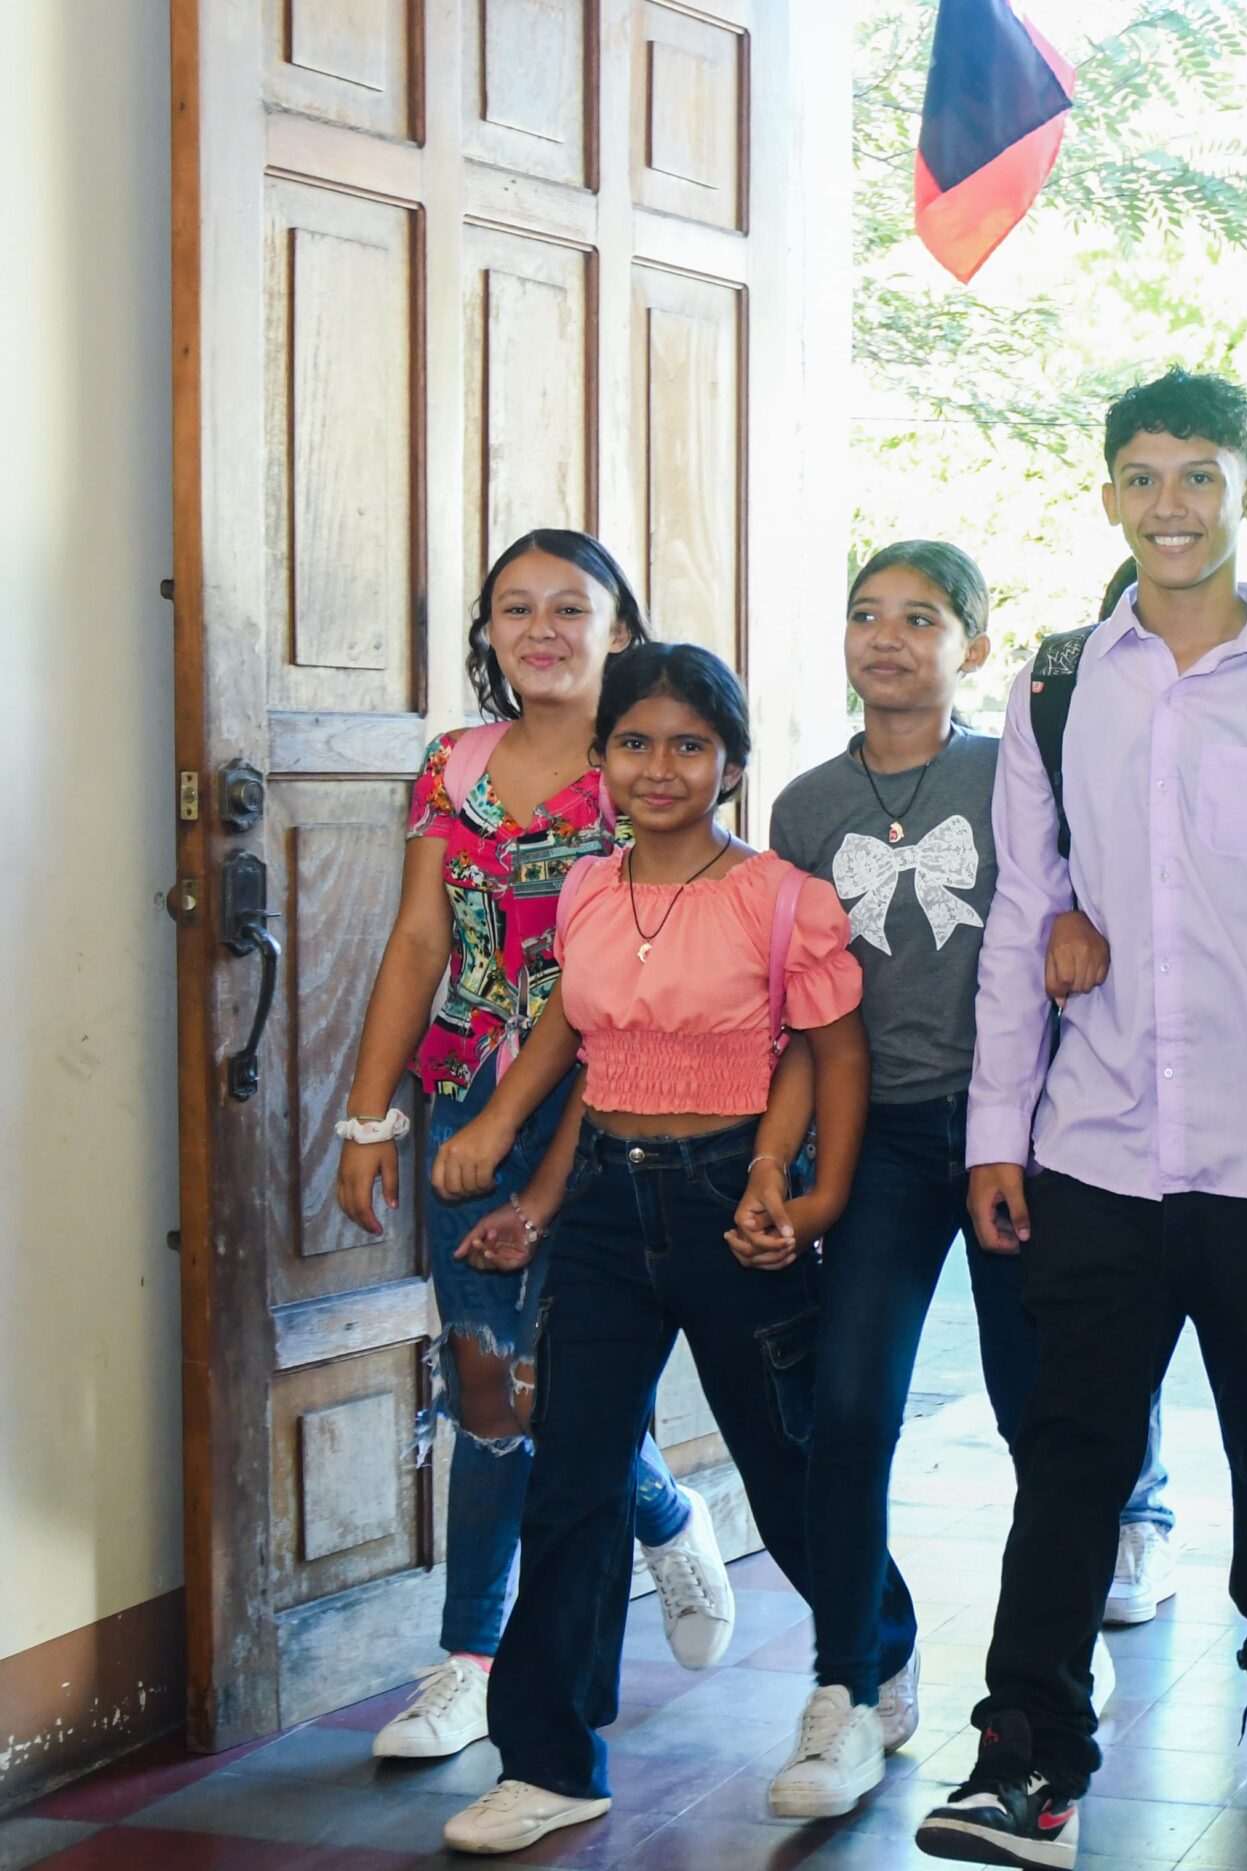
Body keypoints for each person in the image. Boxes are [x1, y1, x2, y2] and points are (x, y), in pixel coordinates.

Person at [914, 368, 1247, 1868]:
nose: (1172, 505)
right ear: (1108, 495)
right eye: (1145, 476)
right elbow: (1028, 905)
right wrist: (996, 1131)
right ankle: (1026, 1752)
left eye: (1201, 476)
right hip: (1096, 1135)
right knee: (1071, 1447)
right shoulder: (1055, 681)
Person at [433, 644, 869, 1854]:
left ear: (730, 762)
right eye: (634, 741)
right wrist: (521, 1168)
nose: (659, 766)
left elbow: (832, 1054)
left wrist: (815, 1199)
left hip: (732, 1202)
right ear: (602, 757)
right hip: (604, 1214)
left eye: (689, 743)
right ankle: (550, 1759)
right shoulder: (588, 886)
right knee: (571, 1479)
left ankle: (869, 1667)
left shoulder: (780, 897)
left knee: (785, 1462)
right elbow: (580, 1046)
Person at [330, 530, 728, 1764]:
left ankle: (505, 1648)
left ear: (621, 628)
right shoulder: (453, 764)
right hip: (465, 1100)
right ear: (489, 630)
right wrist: (369, 1115)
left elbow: (640, 965)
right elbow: (417, 940)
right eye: (515, 608)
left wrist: (526, 1118)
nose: (541, 629)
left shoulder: (645, 766)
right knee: (485, 1383)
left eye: (570, 606)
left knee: (570, 1385)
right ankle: (489, 1645)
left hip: (612, 1112)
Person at [752, 541, 1128, 1816]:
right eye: (867, 613)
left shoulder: (1014, 771)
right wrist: (783, 1154)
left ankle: (1051, 1660)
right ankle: (852, 1677)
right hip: (881, 1136)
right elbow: (802, 1009)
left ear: (974, 643)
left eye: (922, 617)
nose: (888, 637)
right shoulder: (805, 807)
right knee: (849, 1405)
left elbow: (1088, 905)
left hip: (1024, 1128)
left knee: (1042, 1413)